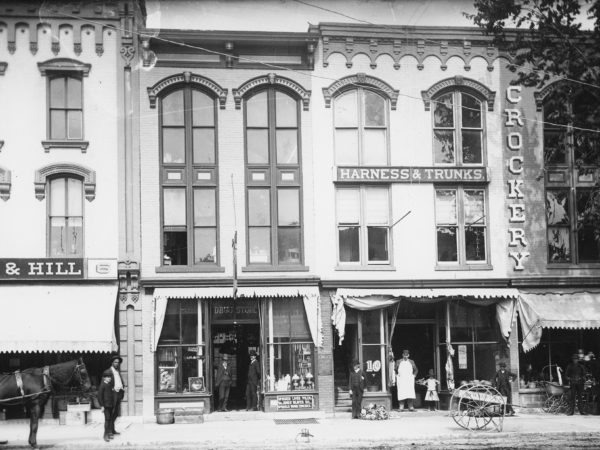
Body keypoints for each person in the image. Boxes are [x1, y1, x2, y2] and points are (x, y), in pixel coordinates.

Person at [98, 355, 125, 442]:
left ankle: (112, 430)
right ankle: (108, 432)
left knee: (116, 414)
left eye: (118, 362)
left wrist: (121, 388)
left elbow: (119, 382)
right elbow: (103, 388)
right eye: (115, 362)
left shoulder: (117, 372)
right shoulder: (108, 372)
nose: (117, 364)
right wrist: (102, 404)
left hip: (118, 395)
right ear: (112, 363)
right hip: (110, 398)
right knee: (109, 416)